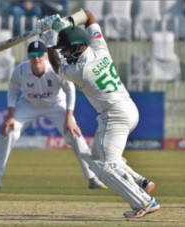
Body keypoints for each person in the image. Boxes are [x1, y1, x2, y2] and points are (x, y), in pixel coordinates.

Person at [37, 9, 159, 218]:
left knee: (105, 165)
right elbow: (89, 15)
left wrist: (49, 39)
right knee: (96, 156)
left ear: (76, 47)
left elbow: (57, 67)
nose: (64, 53)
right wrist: (65, 23)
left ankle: (144, 202)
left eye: (65, 49)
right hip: (126, 108)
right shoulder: (100, 47)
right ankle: (141, 182)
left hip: (115, 115)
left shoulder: (81, 71)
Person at [0, 40, 107, 190]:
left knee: (75, 135)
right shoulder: (20, 71)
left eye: (40, 54)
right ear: (28, 57)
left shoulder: (55, 69)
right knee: (8, 132)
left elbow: (70, 90)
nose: (36, 58)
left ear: (46, 56)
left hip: (55, 104)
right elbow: (12, 92)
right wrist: (10, 116)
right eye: (33, 55)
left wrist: (69, 117)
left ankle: (92, 178)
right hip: (28, 104)